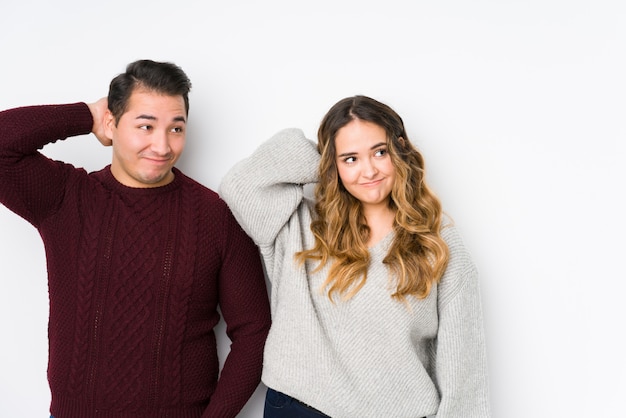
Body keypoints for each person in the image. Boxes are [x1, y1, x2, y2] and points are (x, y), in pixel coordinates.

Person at [0, 59, 271, 418]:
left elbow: (254, 329)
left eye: (176, 129)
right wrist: (86, 115)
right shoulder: (66, 199)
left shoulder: (215, 216)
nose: (162, 146)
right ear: (112, 123)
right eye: (146, 126)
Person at [219, 95, 491, 418]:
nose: (369, 170)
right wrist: (325, 158)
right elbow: (239, 186)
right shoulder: (300, 225)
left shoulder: (438, 241)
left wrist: (347, 155)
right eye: (350, 159)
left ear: (400, 150)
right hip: (299, 407)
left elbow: (465, 372)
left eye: (380, 152)